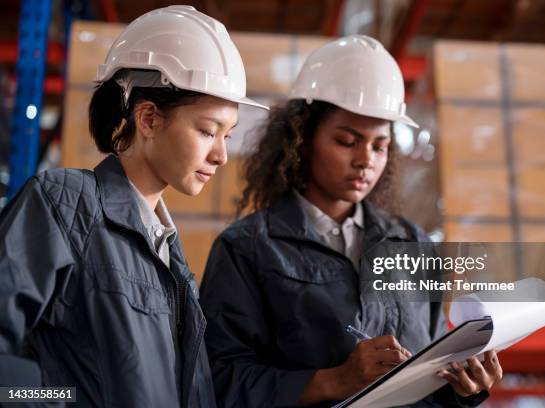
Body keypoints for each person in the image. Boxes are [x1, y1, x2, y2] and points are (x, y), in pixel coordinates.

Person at [200, 35, 503, 407]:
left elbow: (433, 372)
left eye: (379, 146)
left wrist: (463, 388)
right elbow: (220, 379)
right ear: (303, 139)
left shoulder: (414, 243)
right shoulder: (248, 248)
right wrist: (335, 381)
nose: (365, 160)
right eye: (347, 141)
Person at [0, 6, 267, 407]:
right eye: (208, 131)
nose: (221, 155)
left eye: (227, 135)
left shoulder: (170, 257)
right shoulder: (64, 204)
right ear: (148, 119)